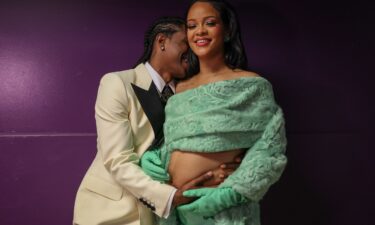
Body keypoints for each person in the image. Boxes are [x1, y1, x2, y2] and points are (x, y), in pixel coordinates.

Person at [73, 16, 239, 225]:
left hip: (163, 217)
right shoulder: (117, 83)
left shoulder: (191, 95)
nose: (194, 52)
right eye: (185, 44)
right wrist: (171, 197)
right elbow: (118, 160)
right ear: (162, 42)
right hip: (110, 213)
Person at [140, 1, 288, 225]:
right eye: (191, 26)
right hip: (174, 208)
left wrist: (228, 194)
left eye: (210, 23)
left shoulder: (252, 85)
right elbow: (174, 142)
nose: (199, 31)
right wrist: (151, 160)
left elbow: (270, 149)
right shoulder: (179, 89)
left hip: (222, 210)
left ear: (227, 31)